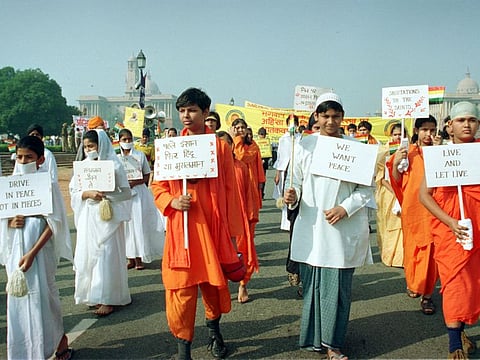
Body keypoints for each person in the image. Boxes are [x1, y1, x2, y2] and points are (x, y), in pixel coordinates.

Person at [151, 88, 243, 360]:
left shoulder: (219, 147)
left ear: (205, 113)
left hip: (212, 229)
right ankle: (184, 350)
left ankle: (215, 333)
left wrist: (231, 234)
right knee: (180, 291)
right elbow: (157, 185)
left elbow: (230, 189)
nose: (186, 116)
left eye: (192, 110)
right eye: (182, 111)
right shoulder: (170, 147)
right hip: (182, 230)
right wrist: (171, 201)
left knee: (214, 290)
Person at [284, 92, 373, 360]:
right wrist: (292, 196)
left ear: (343, 117)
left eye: (336, 115)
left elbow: (367, 190)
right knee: (313, 286)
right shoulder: (304, 146)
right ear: (317, 117)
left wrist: (344, 208)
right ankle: (314, 339)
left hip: (342, 229)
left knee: (336, 288)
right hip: (312, 228)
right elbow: (296, 182)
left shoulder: (355, 148)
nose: (330, 121)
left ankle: (333, 344)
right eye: (325, 115)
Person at [0, 136, 74, 360]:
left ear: (40, 160)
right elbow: (3, 219)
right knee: (19, 300)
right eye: (20, 157)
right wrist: (10, 222)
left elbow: (54, 223)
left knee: (45, 298)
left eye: (29, 157)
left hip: (40, 254)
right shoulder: (9, 184)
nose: (23, 162)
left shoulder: (47, 184)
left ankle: (57, 342)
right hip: (16, 252)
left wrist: (33, 253)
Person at [419, 102, 480, 359]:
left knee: (473, 284)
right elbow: (425, 196)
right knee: (455, 283)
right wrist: (450, 222)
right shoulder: (440, 155)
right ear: (450, 126)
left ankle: (463, 327)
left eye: (472, 120)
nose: (467, 124)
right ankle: (454, 343)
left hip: (477, 225)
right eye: (461, 120)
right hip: (451, 231)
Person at [69, 129, 132, 317]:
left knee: (107, 253)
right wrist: (86, 194)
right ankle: (92, 294)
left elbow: (126, 193)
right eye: (86, 147)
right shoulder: (82, 166)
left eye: (92, 146)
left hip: (108, 216)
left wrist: (107, 195)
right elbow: (74, 191)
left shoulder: (114, 165)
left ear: (101, 145)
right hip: (89, 216)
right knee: (89, 253)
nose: (89, 150)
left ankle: (108, 297)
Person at [386, 115, 442, 314]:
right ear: (416, 130)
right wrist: (396, 163)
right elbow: (395, 180)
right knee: (413, 251)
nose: (429, 134)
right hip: (413, 209)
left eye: (433, 129)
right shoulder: (406, 152)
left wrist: (438, 152)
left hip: (436, 210)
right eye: (425, 129)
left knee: (432, 254)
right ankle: (414, 283)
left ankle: (427, 296)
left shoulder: (440, 152)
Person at [217, 130, 259, 303]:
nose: (223, 147)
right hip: (218, 220)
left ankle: (243, 284)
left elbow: (249, 193)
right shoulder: (210, 170)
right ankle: (221, 288)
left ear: (232, 145)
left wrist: (251, 215)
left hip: (239, 219)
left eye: (227, 143)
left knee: (243, 253)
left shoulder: (240, 166)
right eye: (219, 144)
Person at [117, 128, 164, 270]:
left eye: (129, 139)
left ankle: (140, 258)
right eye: (124, 140)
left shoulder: (139, 155)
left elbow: (146, 175)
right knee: (126, 226)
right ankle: (130, 258)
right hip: (123, 195)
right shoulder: (116, 159)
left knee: (139, 224)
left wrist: (134, 183)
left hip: (139, 193)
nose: (127, 142)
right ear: (119, 141)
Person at [374, 122, 404, 267]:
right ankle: (389, 255)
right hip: (388, 194)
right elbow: (381, 177)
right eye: (395, 134)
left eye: (400, 134)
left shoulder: (408, 150)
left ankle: (402, 256)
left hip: (405, 191)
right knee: (389, 224)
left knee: (402, 225)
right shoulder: (384, 151)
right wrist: (395, 191)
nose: (398, 137)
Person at [273, 114, 301, 232]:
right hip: (284, 170)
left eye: (294, 123)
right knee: (285, 195)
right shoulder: (283, 139)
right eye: (290, 123)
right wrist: (278, 173)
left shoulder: (301, 138)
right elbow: (280, 157)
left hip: (296, 169)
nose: (292, 125)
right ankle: (285, 222)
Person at [257, 127, 272, 199]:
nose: (262, 136)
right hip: (257, 164)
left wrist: (265, 160)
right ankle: (258, 193)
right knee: (257, 180)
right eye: (261, 134)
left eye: (263, 134)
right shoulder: (256, 143)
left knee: (262, 179)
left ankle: (261, 193)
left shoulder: (267, 142)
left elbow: (268, 153)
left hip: (264, 164)